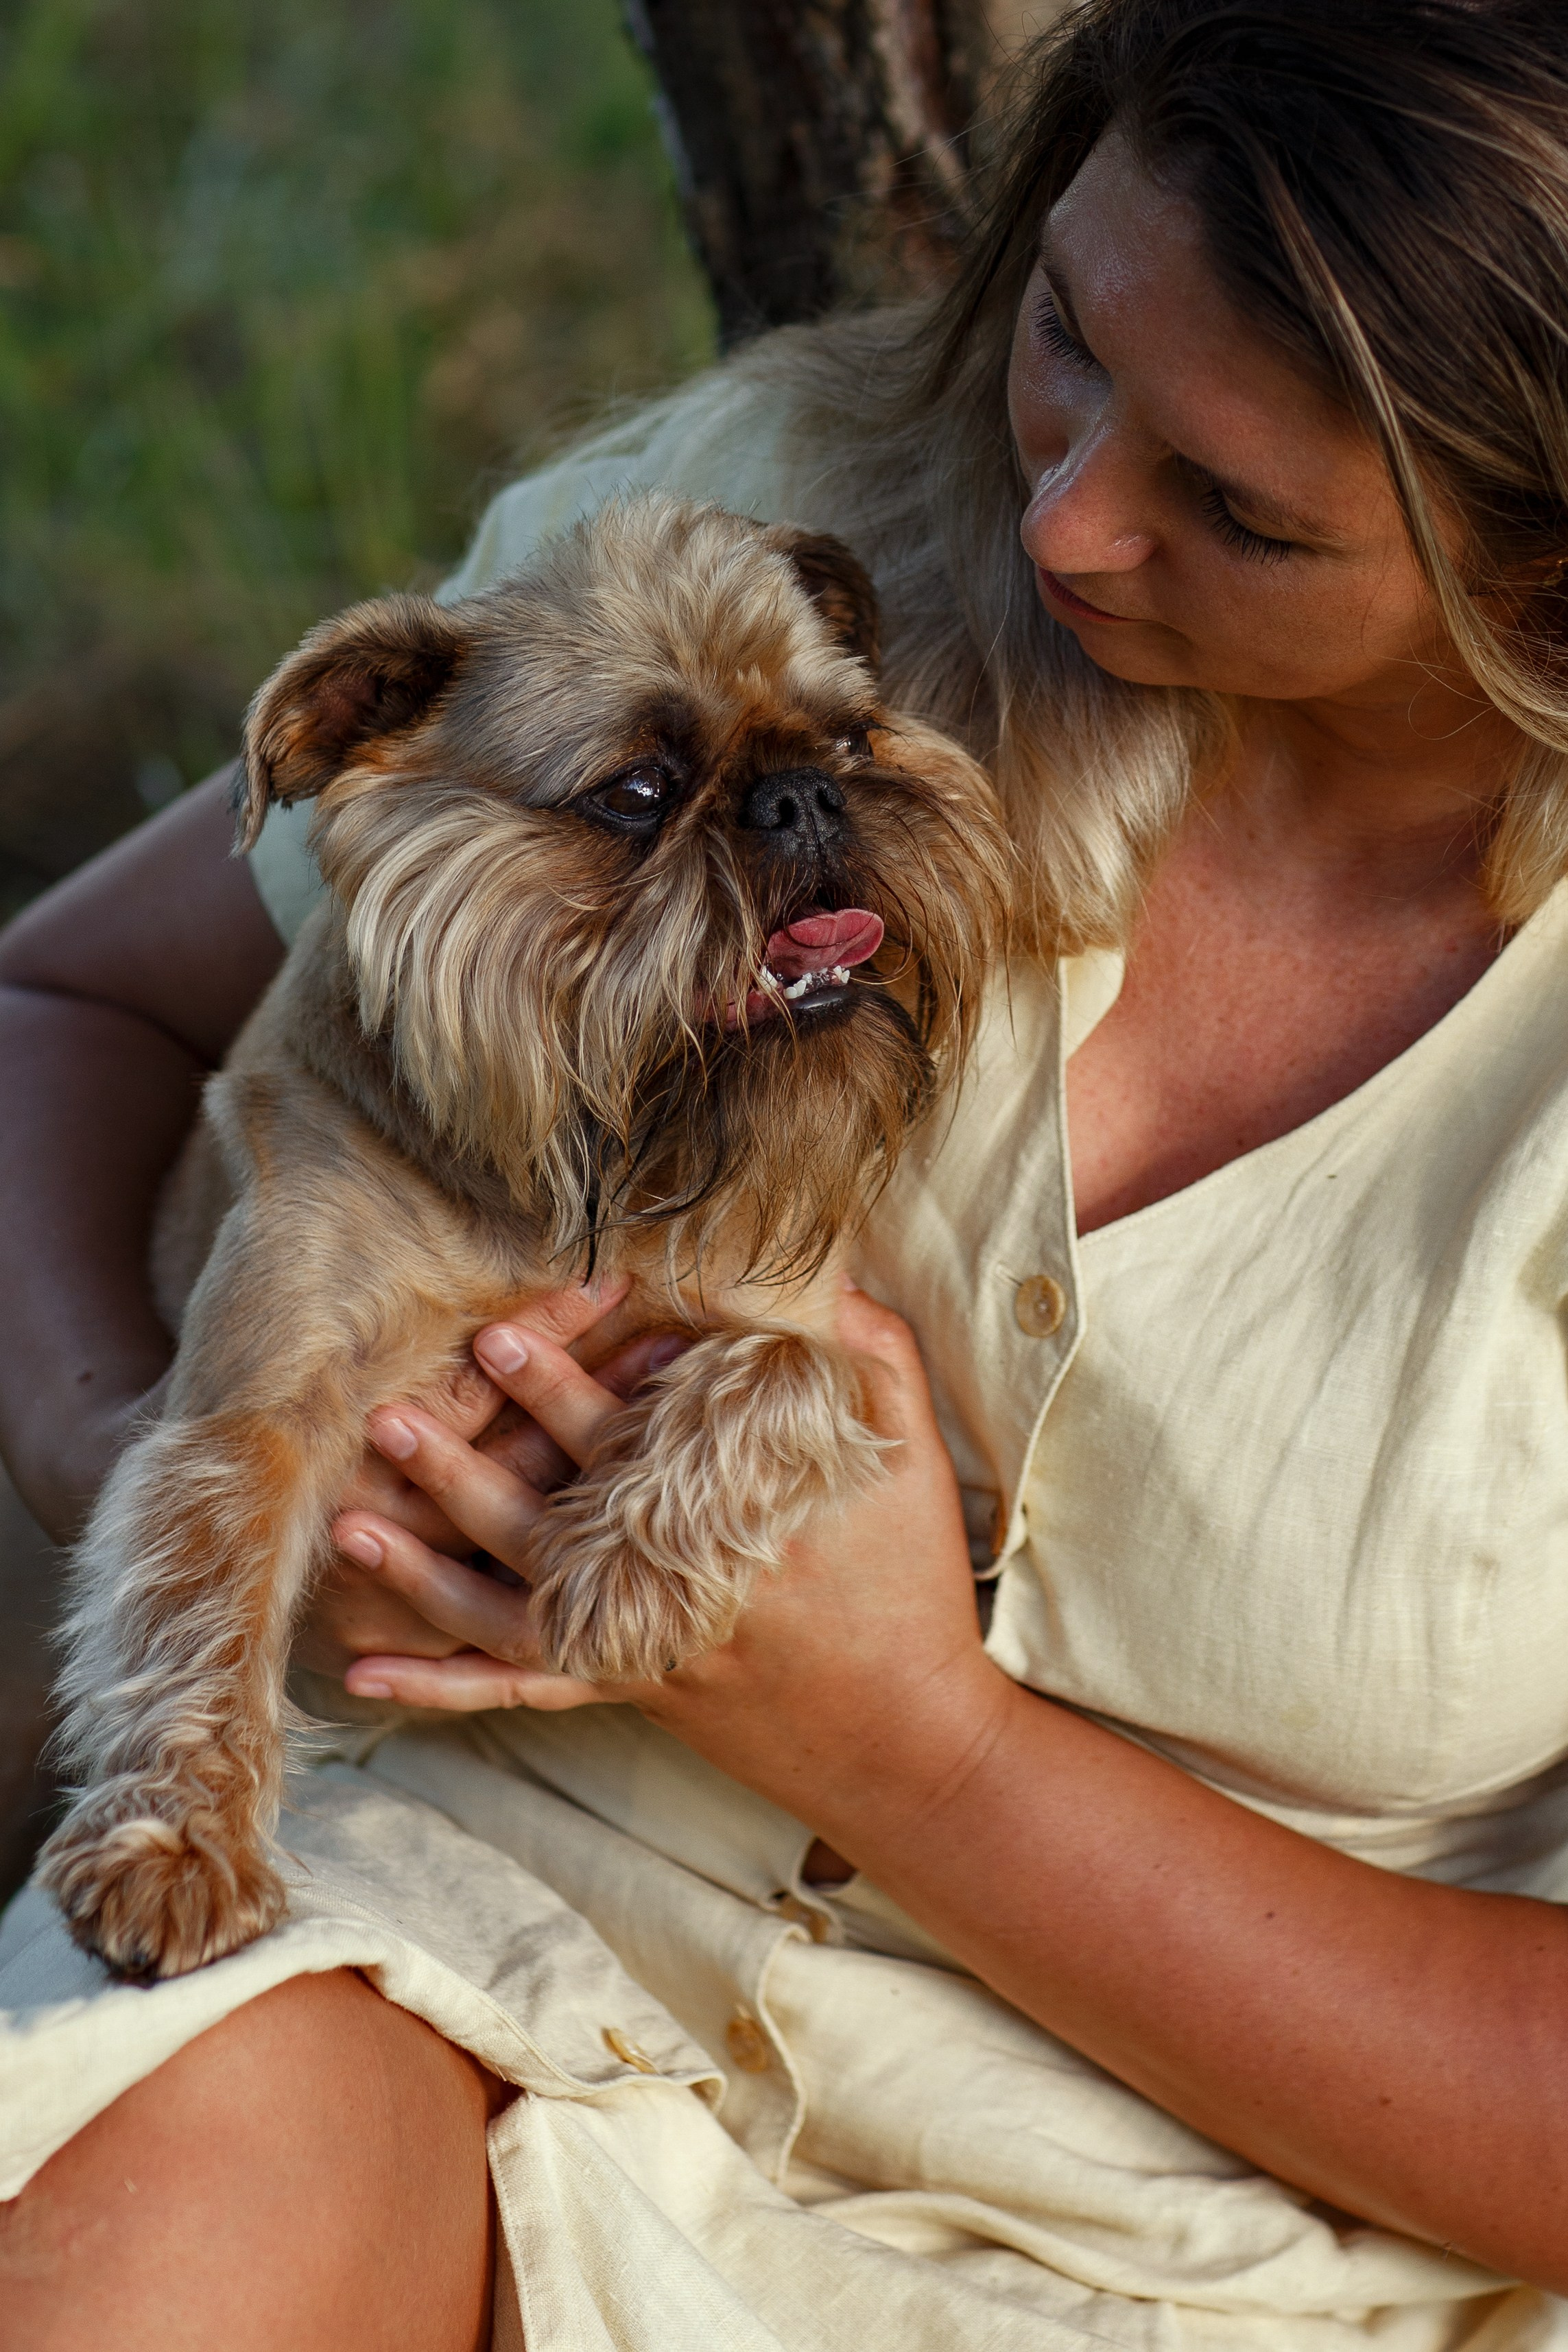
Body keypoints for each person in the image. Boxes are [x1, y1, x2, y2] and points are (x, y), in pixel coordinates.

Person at [6, 0, 1568, 2342]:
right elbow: (65, 1008)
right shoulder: (775, 515)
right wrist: (137, 1460)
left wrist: (912, 1750)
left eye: (1240, 510)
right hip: (454, 1935)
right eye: (1064, 327)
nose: (1060, 516)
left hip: (1235, 2237)